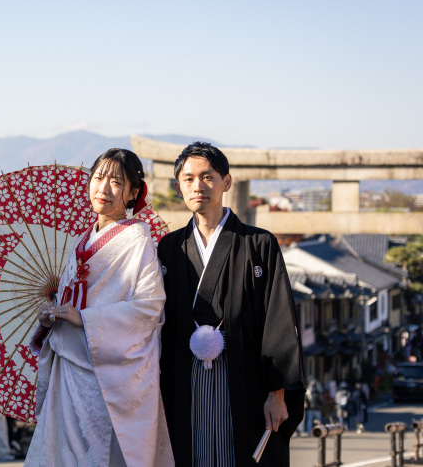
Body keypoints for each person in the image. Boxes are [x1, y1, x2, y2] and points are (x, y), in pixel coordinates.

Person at [159, 142, 305, 466]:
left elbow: (278, 321)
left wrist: (277, 393)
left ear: (226, 182)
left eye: (208, 177)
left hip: (245, 379)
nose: (198, 186)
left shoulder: (259, 244)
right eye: (188, 179)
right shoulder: (169, 248)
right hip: (185, 379)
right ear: (178, 187)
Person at [25, 148, 174, 466]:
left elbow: (149, 307)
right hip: (68, 368)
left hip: (107, 376)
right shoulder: (82, 240)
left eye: (116, 182)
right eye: (98, 178)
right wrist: (52, 316)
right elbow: (72, 301)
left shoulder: (138, 240)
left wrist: (84, 318)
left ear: (133, 193)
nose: (103, 188)